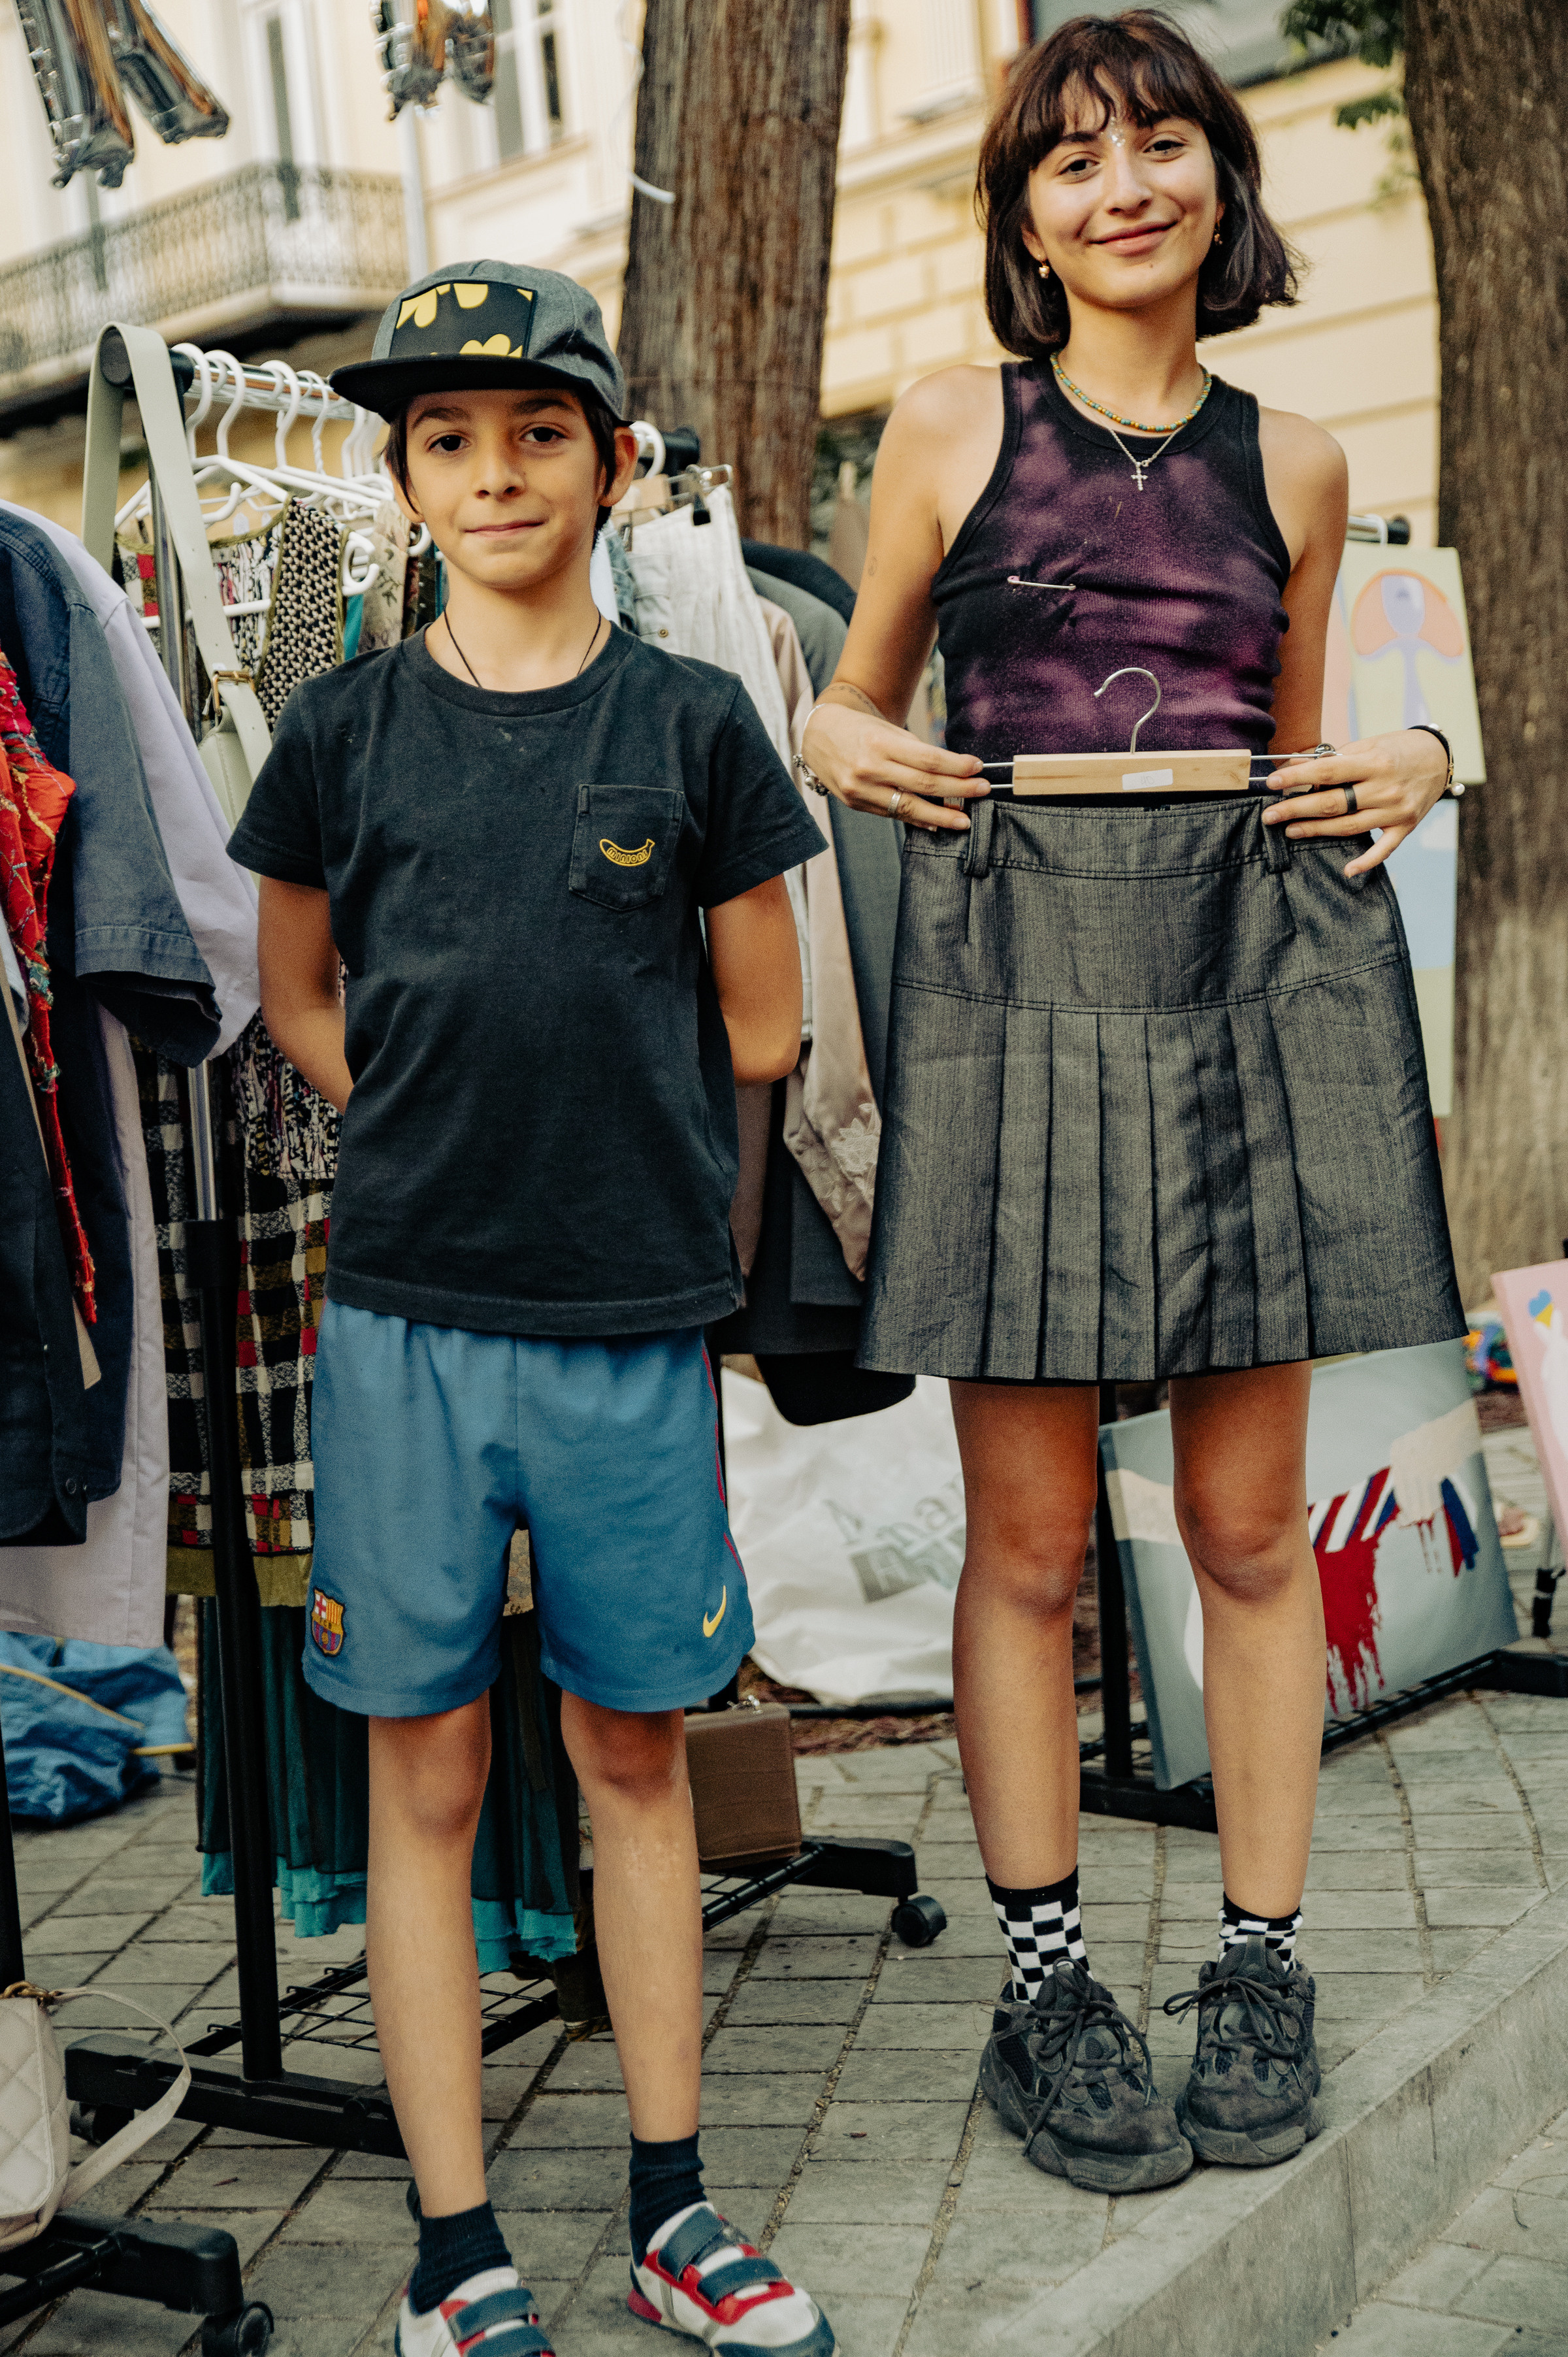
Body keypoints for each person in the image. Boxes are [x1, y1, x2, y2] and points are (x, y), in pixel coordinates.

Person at [798, 11, 1462, 2194]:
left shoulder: (1304, 461)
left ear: (1218, 184)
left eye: (1162, 143)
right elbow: (851, 701)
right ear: (1024, 219)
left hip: (1240, 965)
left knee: (1252, 1534)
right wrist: (836, 738)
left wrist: (1417, 760)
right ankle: (1047, 1992)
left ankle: (1261, 1971)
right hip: (1011, 968)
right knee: (1028, 1545)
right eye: (1072, 160)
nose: (1124, 187)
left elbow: (1307, 756)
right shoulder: (946, 424)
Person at [229, 261, 836, 2357]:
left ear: (615, 461)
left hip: (627, 1321)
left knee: (634, 1756)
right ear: (404, 484)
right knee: (426, 1775)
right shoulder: (339, 731)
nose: (494, 474)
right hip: (403, 1321)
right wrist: (426, 1122)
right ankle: (455, 2250)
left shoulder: (693, 725)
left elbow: (766, 1026)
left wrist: (599, 1137)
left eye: (538, 433)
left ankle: (676, 2212)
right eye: (447, 441)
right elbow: (295, 995)